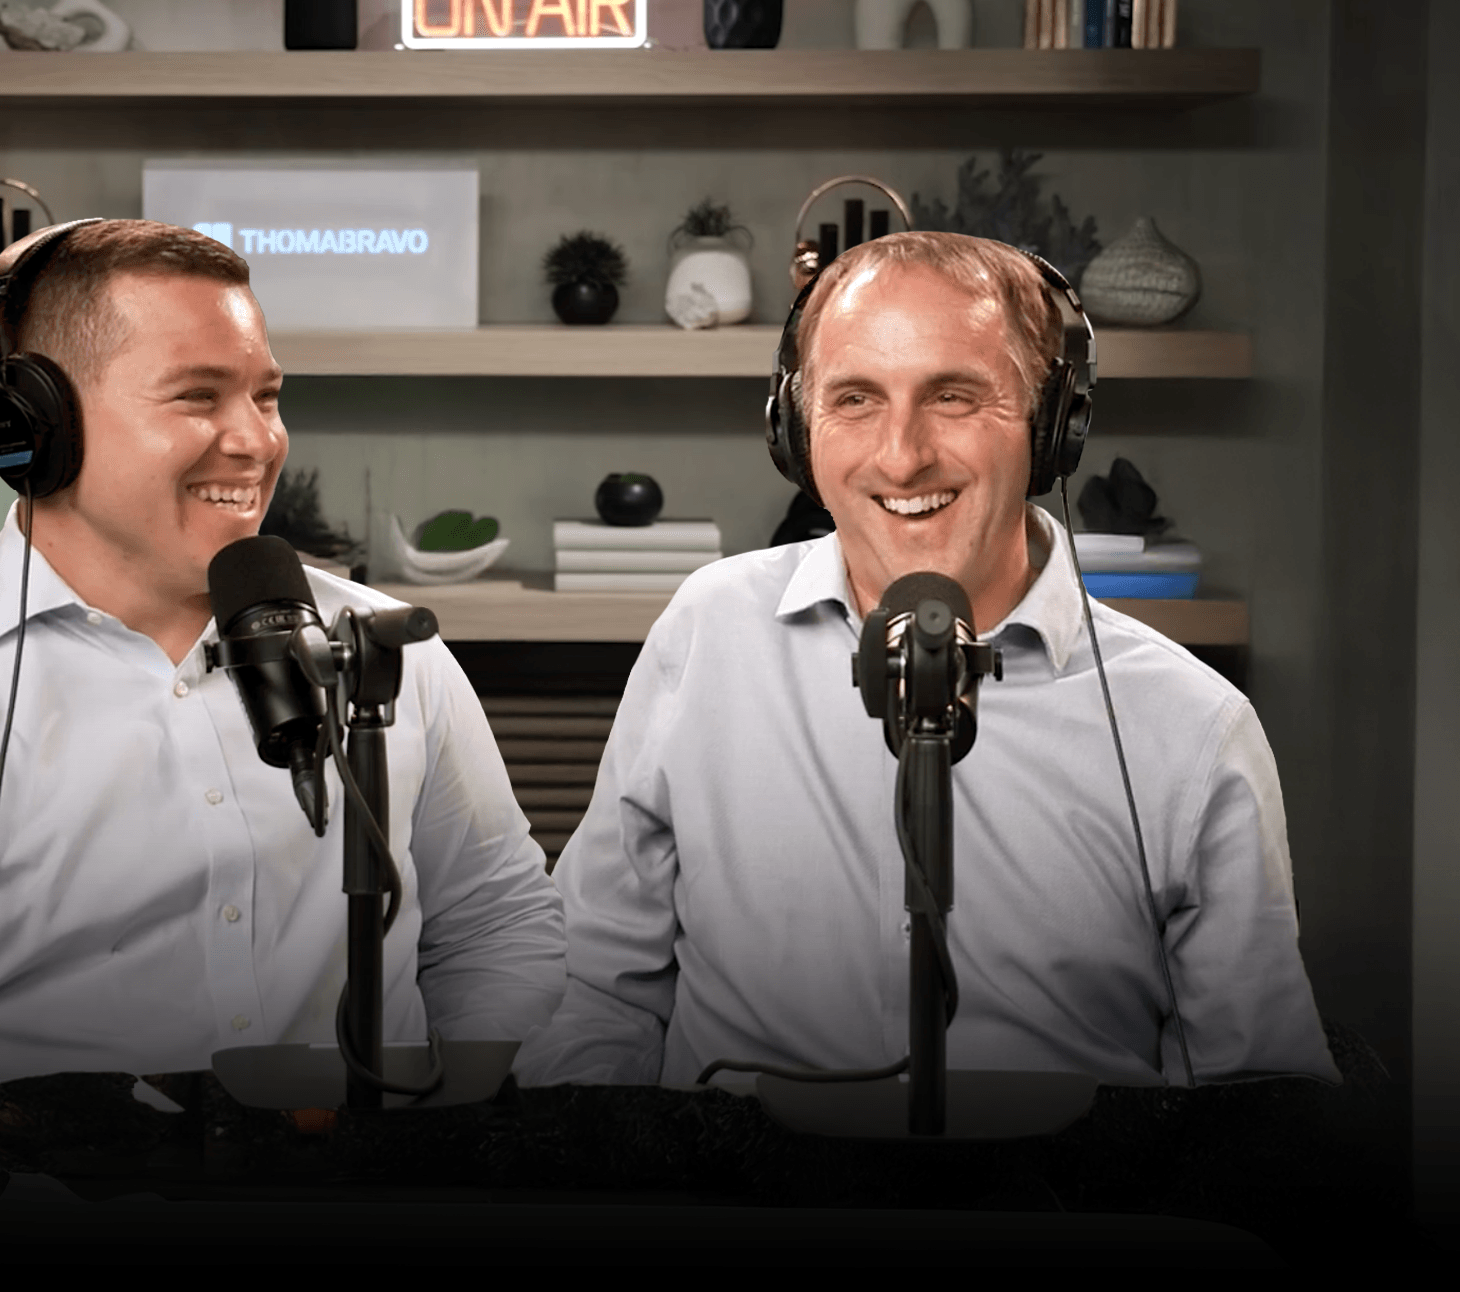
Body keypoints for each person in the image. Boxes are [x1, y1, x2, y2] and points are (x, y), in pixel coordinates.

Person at [0, 219, 564, 1118]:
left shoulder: (386, 650)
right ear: (37, 425)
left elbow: (498, 926)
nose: (257, 441)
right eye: (198, 396)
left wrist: (446, 1133)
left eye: (267, 396)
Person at [518, 231, 1337, 1090]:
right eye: (855, 399)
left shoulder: (1193, 727)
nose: (902, 456)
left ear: (1053, 427)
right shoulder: (709, 630)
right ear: (794, 430)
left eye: (953, 396)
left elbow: (1258, 1106)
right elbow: (594, 990)